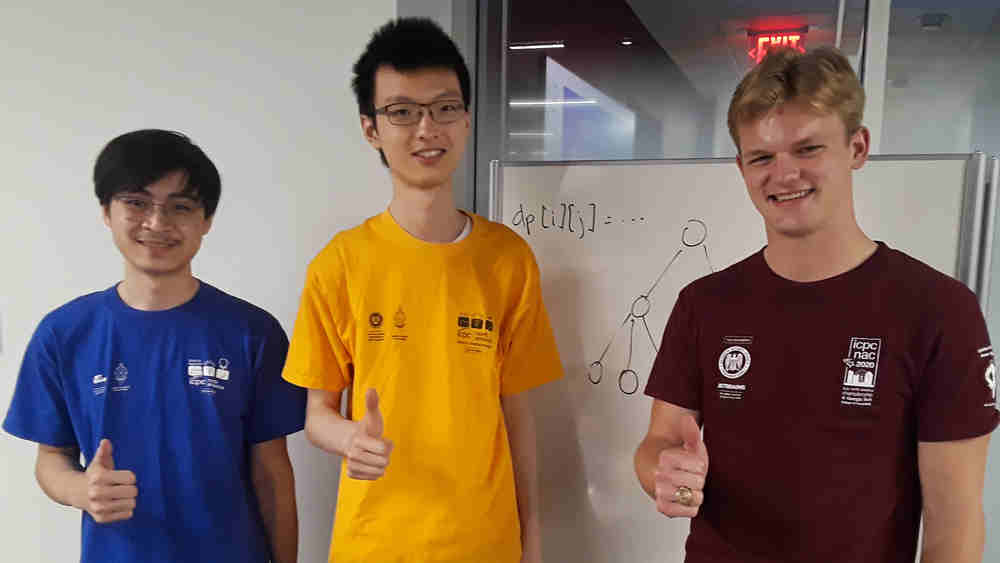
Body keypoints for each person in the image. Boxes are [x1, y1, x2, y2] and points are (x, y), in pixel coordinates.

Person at [634, 46, 998, 562]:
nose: (784, 175)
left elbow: (954, 521)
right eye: (762, 156)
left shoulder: (939, 311)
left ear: (857, 147)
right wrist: (663, 472)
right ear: (741, 167)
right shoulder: (704, 304)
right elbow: (659, 442)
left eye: (808, 149)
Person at [281, 17, 563, 563]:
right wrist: (349, 440)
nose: (426, 129)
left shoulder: (508, 259)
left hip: (486, 544)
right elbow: (316, 414)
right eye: (402, 112)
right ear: (371, 128)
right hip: (374, 545)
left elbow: (518, 417)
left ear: (466, 119)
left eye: (444, 108)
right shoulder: (339, 264)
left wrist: (532, 540)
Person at [3, 129, 306, 562]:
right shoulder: (64, 333)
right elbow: (51, 458)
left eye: (180, 207)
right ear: (106, 211)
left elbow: (272, 472)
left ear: (206, 220)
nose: (157, 223)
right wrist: (81, 490)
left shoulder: (251, 332)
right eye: (136, 203)